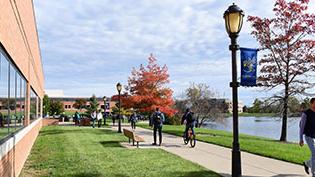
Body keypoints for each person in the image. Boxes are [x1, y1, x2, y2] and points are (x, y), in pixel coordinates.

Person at [300, 98, 315, 176]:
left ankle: (307, 163)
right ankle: (314, 173)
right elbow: (302, 127)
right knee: (314, 154)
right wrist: (301, 139)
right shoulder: (306, 113)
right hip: (308, 136)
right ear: (311, 103)